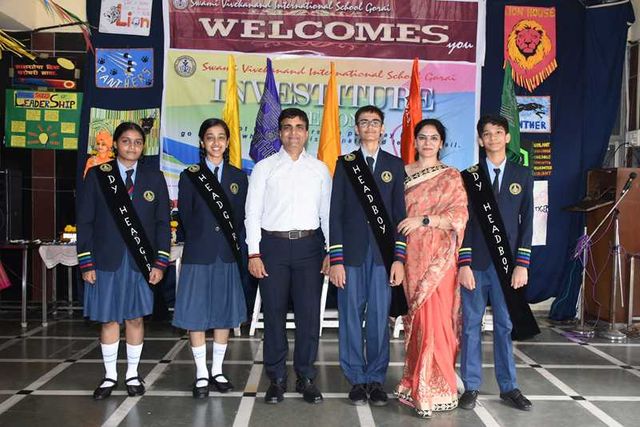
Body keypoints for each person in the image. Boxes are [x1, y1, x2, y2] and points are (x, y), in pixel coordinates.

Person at [77, 122, 170, 400]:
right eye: (126, 141)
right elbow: (85, 221)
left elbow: (163, 223)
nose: (132, 147)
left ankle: (131, 374)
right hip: (106, 261)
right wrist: (86, 262)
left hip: (141, 263)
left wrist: (160, 262)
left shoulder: (155, 179)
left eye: (138, 142)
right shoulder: (97, 176)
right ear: (116, 144)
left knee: (135, 318)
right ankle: (109, 376)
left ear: (144, 147)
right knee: (108, 320)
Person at [245, 108, 331, 404]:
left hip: (310, 248)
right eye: (287, 127)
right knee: (274, 315)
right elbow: (252, 213)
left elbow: (327, 214)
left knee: (309, 317)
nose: (293, 133)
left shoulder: (320, 169)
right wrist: (253, 252)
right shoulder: (264, 168)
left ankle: (306, 377)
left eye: (299, 127)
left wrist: (330, 251)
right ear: (279, 133)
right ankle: (277, 378)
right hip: (272, 248)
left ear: (308, 133)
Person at [457, 114, 537, 412]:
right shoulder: (469, 177)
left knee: (504, 325)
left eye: (498, 132)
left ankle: (509, 386)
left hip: (508, 265)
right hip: (475, 264)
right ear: (480, 140)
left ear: (507, 137)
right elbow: (462, 223)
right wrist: (463, 263)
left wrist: (522, 263)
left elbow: (529, 222)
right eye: (486, 134)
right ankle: (471, 385)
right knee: (470, 327)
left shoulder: (523, 174)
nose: (492, 138)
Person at [328, 105, 406, 406]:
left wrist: (398, 258)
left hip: (384, 259)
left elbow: (400, 215)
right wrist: (336, 259)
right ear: (357, 129)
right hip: (351, 257)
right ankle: (356, 379)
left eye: (375, 122)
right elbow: (335, 214)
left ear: (383, 128)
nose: (370, 127)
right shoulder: (345, 164)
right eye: (364, 123)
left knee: (377, 320)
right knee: (349, 319)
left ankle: (375, 379)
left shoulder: (394, 165)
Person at [394, 119, 468, 418]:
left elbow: (460, 213)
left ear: (441, 143)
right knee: (417, 321)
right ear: (415, 141)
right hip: (411, 257)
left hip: (440, 258)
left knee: (437, 321)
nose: (427, 142)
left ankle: (437, 387)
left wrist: (425, 220)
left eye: (433, 138)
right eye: (422, 137)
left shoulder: (451, 176)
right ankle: (414, 382)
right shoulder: (401, 175)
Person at [173, 118, 248, 398]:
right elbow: (186, 216)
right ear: (202, 143)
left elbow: (241, 219)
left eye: (220, 137)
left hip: (227, 255)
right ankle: (201, 374)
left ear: (227, 142)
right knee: (196, 315)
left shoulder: (239, 177)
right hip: (199, 255)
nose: (216, 143)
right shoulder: (189, 175)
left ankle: (217, 369)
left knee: (223, 314)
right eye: (210, 137)